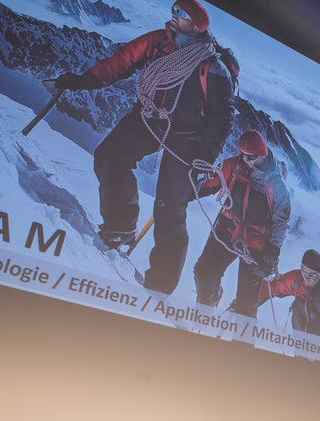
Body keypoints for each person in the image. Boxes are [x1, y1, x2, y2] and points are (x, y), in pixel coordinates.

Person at [54, 0, 237, 294]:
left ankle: (160, 288)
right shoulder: (159, 42)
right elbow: (123, 61)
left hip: (188, 140)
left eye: (181, 14)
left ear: (196, 25)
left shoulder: (212, 66)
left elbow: (222, 116)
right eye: (174, 10)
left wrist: (206, 155)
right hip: (152, 116)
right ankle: (120, 227)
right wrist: (83, 81)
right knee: (110, 155)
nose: (173, 16)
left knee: (169, 208)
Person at [193, 129, 290, 317]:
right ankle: (205, 313)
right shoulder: (235, 166)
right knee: (204, 272)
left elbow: (281, 221)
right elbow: (214, 179)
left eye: (251, 157)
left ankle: (241, 344)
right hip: (227, 229)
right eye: (243, 155)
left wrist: (273, 251)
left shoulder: (277, 186)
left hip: (257, 244)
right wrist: (190, 189)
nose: (246, 160)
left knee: (247, 305)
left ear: (262, 153)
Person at [258, 249, 320, 343]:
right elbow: (274, 286)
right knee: (300, 303)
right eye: (303, 271)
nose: (306, 277)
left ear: (319, 274)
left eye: (310, 274)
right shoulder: (299, 280)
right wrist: (249, 300)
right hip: (300, 344)